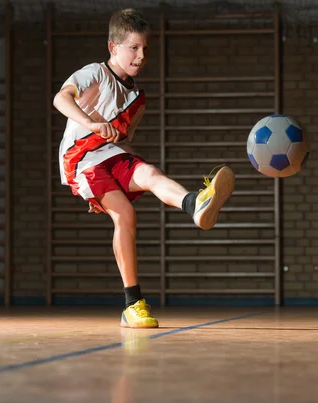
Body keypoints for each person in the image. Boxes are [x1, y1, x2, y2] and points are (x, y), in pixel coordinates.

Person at [53, 8, 235, 328]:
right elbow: (61, 99)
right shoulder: (94, 73)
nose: (141, 55)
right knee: (125, 214)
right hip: (81, 159)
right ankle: (132, 304)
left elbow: (125, 144)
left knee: (150, 174)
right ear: (114, 47)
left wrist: (118, 182)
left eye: (145, 49)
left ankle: (195, 203)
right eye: (133, 48)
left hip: (112, 155)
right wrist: (91, 123)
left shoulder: (137, 98)